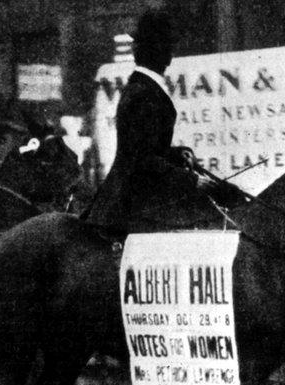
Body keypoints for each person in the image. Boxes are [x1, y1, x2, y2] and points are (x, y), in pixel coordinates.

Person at [84, 8, 216, 231]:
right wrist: (191, 181)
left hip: (137, 193)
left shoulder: (143, 87)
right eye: (167, 46)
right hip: (132, 200)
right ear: (159, 51)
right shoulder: (143, 92)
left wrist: (176, 154)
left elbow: (147, 149)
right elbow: (142, 158)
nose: (170, 52)